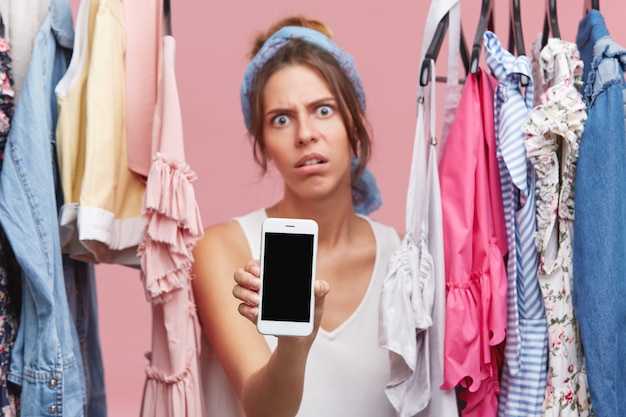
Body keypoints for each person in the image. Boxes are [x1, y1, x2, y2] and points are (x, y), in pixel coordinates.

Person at [191, 15, 402, 417]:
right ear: (264, 142)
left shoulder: (404, 257)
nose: (304, 134)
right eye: (281, 119)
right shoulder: (223, 248)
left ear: (353, 123)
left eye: (323, 110)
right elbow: (263, 409)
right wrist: (292, 344)